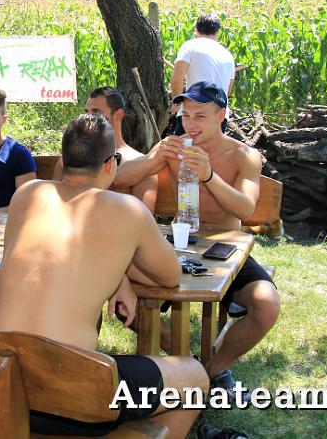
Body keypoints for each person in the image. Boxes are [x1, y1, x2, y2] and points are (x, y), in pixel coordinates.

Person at [0, 114, 208, 437]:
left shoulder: (26, 195)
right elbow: (170, 276)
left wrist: (119, 275)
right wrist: (122, 270)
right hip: (66, 398)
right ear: (111, 165)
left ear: (62, 160)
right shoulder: (128, 210)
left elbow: (52, 256)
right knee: (197, 378)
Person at [114, 81, 280, 403]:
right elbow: (120, 177)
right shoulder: (175, 146)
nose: (190, 124)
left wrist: (209, 176)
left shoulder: (243, 155)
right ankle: (186, 359)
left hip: (225, 249)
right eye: (186, 115)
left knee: (266, 304)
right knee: (119, 295)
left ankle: (212, 370)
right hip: (177, 244)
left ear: (221, 116)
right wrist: (155, 157)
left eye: (200, 116)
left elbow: (246, 209)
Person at [53, 86, 157, 212]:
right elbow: (54, 201)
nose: (89, 117)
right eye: (87, 112)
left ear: (118, 115)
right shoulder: (71, 156)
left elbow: (144, 217)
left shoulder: (140, 163)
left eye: (96, 112)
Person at [169, 13, 235, 135]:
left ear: (196, 30)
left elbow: (177, 80)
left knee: (185, 147)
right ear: (217, 32)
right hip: (219, 116)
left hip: (193, 115)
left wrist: (177, 103)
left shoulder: (190, 46)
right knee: (211, 148)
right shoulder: (228, 55)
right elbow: (228, 91)